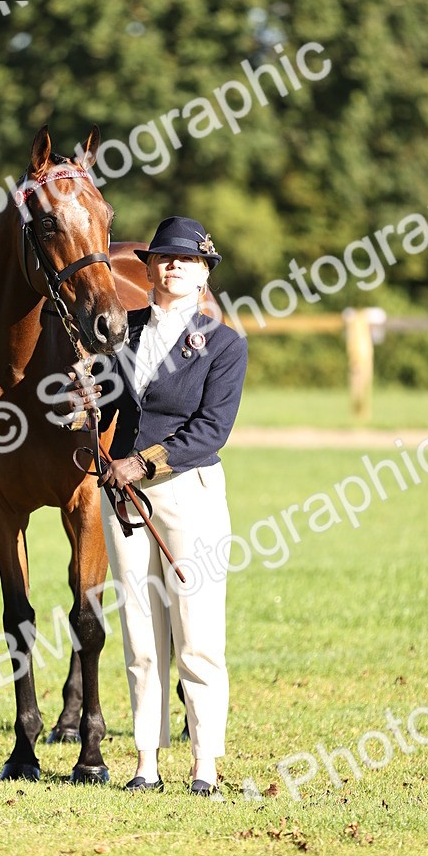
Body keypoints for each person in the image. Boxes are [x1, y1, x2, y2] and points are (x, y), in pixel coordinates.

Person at [66, 216, 247, 795]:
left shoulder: (224, 344)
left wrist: (143, 464)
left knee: (196, 634)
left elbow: (211, 431)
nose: (174, 265)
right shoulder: (125, 332)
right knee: (141, 634)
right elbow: (111, 400)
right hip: (122, 497)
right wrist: (83, 396)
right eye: (164, 258)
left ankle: (204, 766)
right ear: (146, 270)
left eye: (187, 260)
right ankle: (146, 762)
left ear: (203, 276)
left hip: (186, 493)